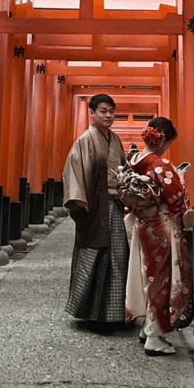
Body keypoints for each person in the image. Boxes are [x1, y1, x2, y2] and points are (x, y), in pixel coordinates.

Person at [124, 117, 194, 356]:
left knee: (149, 276)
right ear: (162, 138)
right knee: (162, 279)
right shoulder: (160, 164)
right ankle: (154, 336)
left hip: (143, 224)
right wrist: (181, 179)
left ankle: (147, 328)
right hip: (162, 227)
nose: (167, 148)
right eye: (168, 142)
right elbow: (176, 199)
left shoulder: (135, 161)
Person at [62, 94, 129, 335]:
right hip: (95, 208)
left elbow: (124, 170)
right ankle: (92, 314)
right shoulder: (86, 140)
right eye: (103, 111)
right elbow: (74, 172)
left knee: (118, 256)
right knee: (94, 256)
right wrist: (81, 205)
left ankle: (113, 314)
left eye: (112, 111)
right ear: (92, 112)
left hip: (114, 205)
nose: (108, 116)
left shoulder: (115, 139)